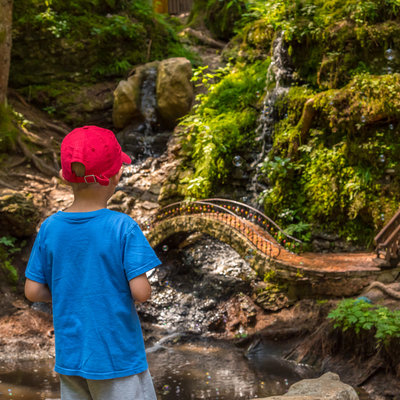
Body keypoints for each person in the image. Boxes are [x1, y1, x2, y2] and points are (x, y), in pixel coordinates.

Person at [24, 125, 161, 400]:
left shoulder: (50, 228)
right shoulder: (123, 227)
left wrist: (70, 291)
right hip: (117, 358)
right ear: (115, 175)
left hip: (71, 359)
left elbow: (33, 291)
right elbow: (141, 293)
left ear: (65, 177)